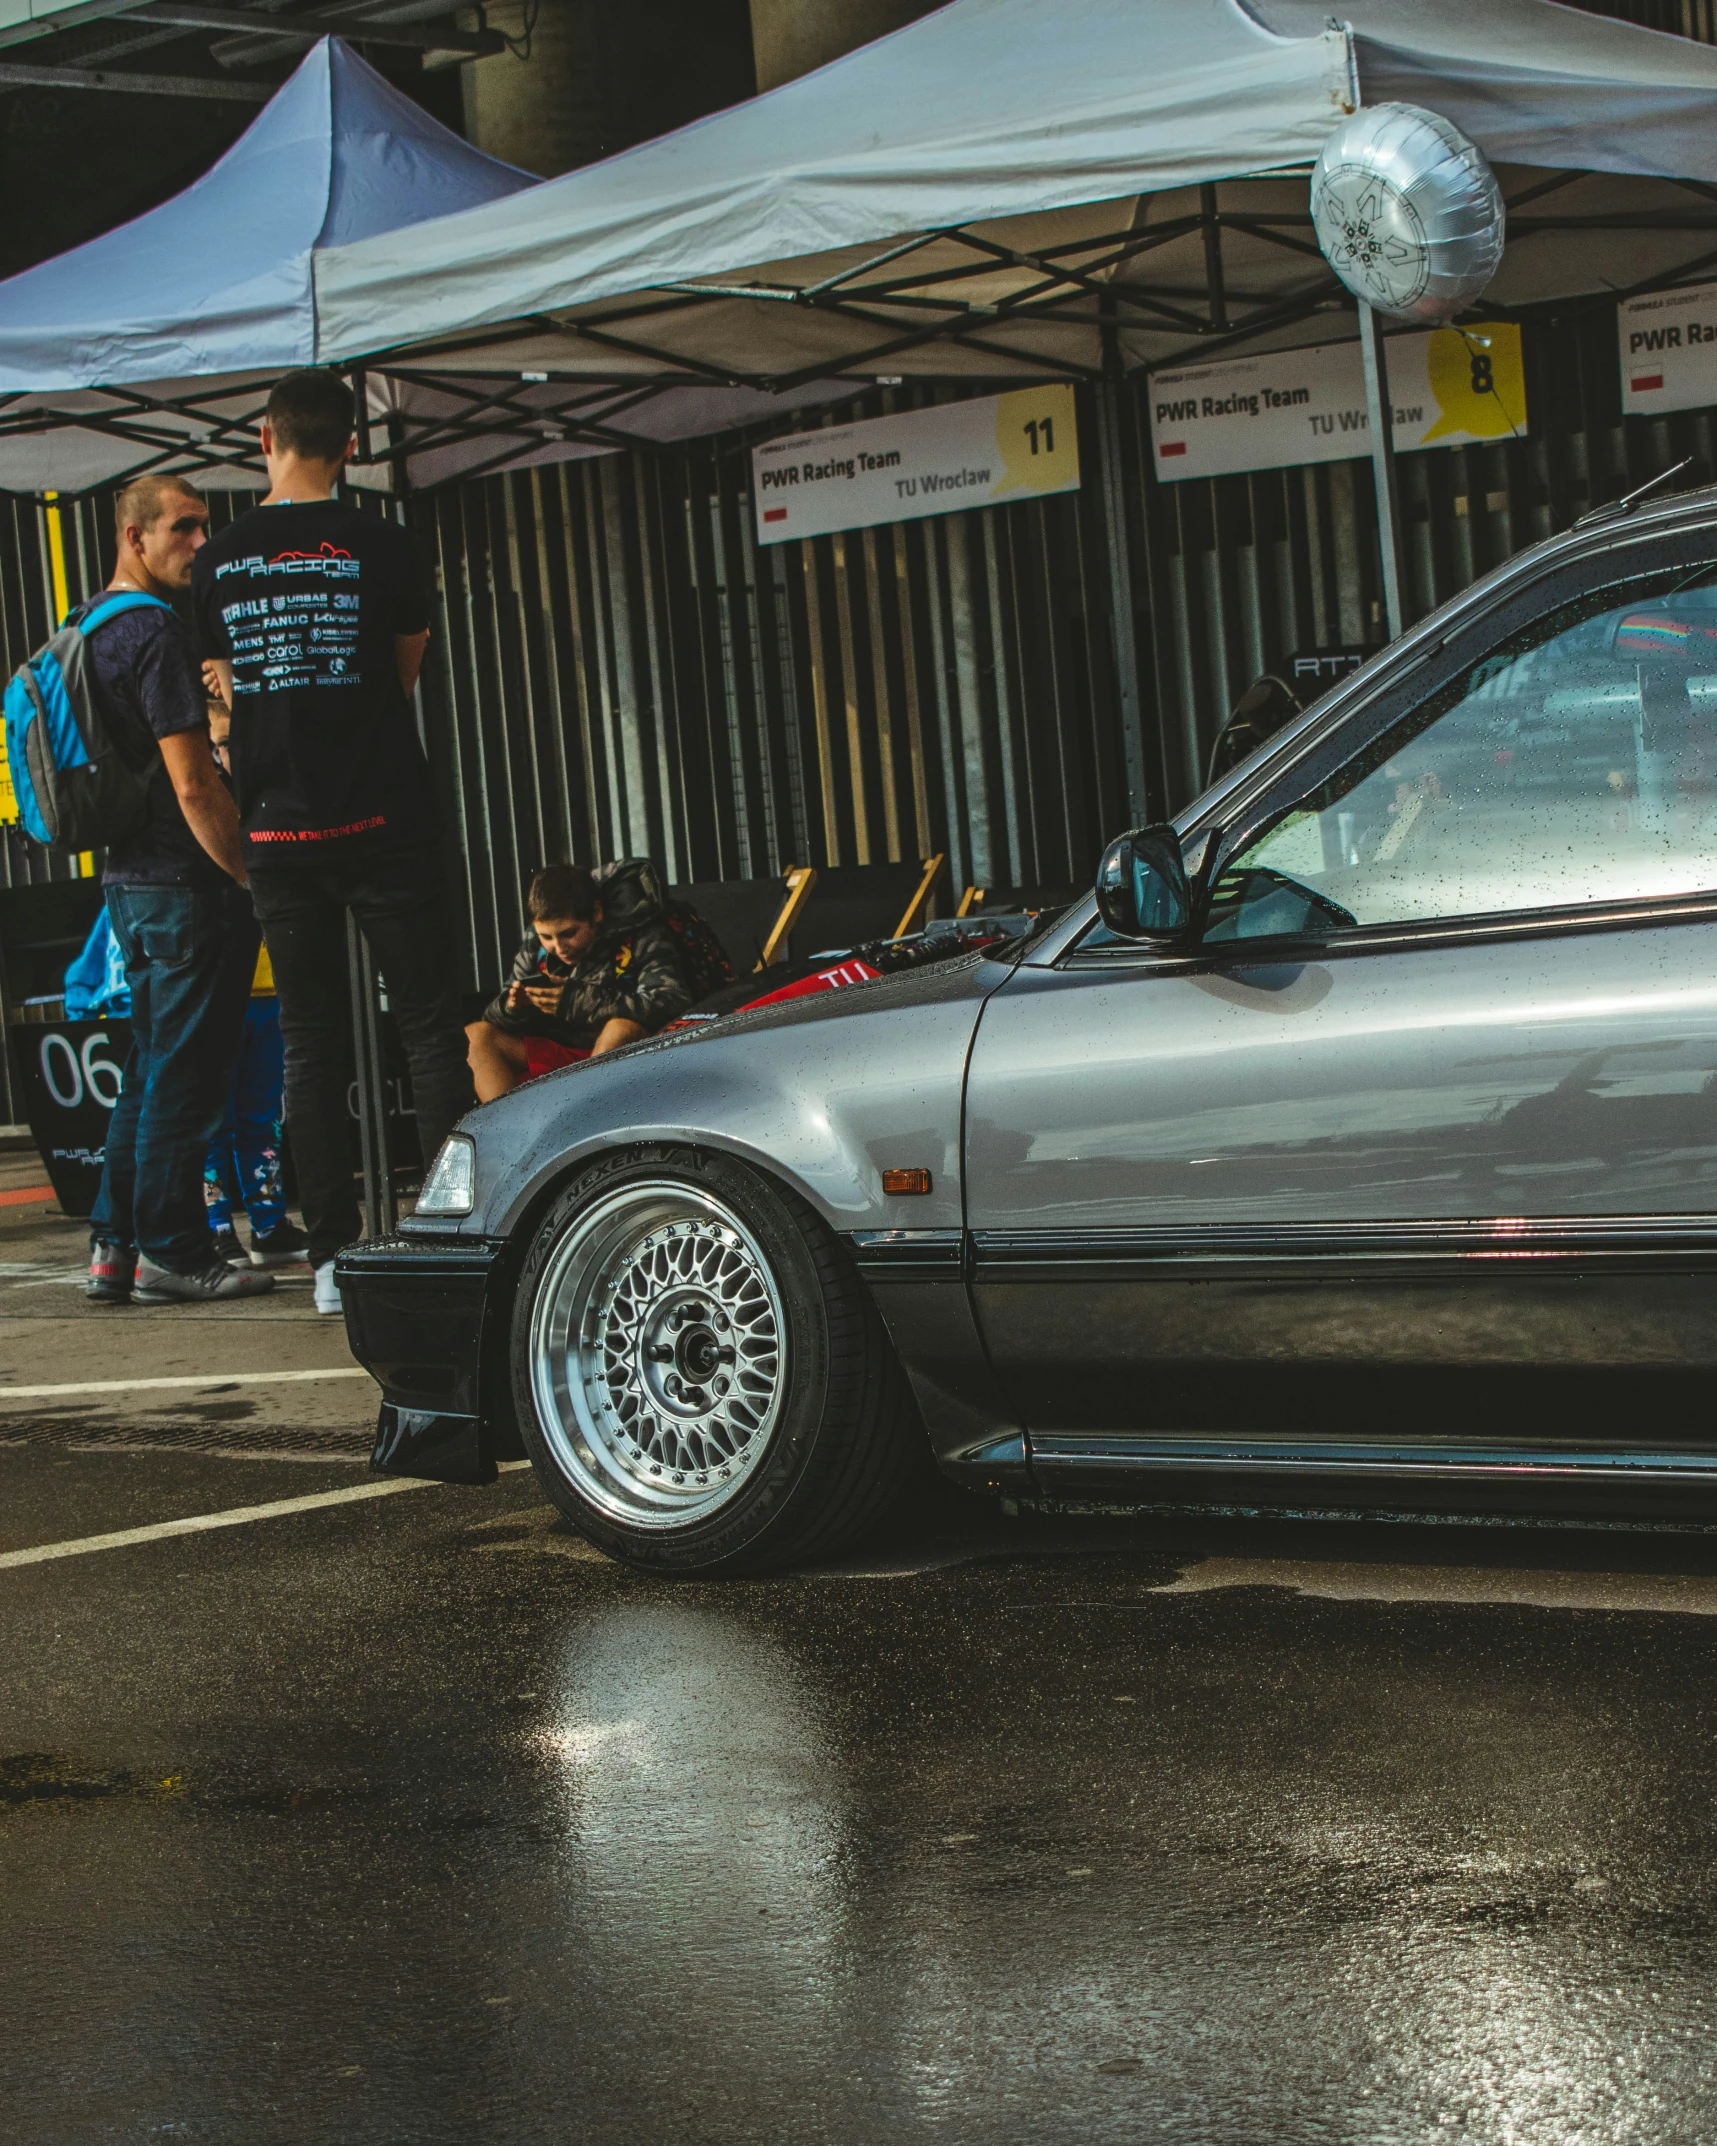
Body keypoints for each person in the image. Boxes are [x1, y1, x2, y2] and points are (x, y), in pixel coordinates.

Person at [194, 369, 474, 1317]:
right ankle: (450, 1237)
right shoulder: (386, 543)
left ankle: (329, 1258)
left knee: (312, 1047)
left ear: (264, 439)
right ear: (351, 447)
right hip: (385, 815)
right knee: (431, 1029)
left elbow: (221, 693)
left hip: (279, 825)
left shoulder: (220, 558)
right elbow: (404, 674)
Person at [83, 473, 274, 1307]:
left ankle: (113, 1245)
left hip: (128, 883)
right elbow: (195, 783)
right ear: (136, 539)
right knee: (186, 1076)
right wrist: (249, 877)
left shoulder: (86, 626)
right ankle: (174, 1249)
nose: (200, 546)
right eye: (184, 530)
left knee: (150, 1068)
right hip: (184, 885)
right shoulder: (155, 632)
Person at [201, 690, 307, 1268]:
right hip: (219, 980)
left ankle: (268, 1220)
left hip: (269, 982)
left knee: (263, 1110)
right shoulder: (205, 798)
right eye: (217, 743)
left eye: (233, 742)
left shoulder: (271, 789)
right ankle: (218, 1225)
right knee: (212, 1115)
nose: (226, 754)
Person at [466, 860, 704, 1101]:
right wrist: (512, 1007)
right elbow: (493, 1015)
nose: (558, 947)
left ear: (596, 913)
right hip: (564, 1052)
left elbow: (672, 1000)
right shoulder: (538, 943)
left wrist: (577, 1001)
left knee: (619, 1029)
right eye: (546, 937)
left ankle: (578, 1120)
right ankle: (511, 1132)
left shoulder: (642, 932)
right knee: (477, 1035)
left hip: (626, 1055)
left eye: (569, 933)